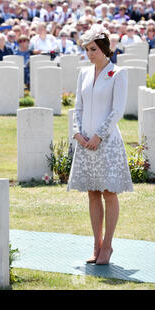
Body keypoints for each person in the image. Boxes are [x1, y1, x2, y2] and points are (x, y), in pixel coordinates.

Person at [68, 25, 133, 265]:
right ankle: (96, 244)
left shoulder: (118, 73)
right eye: (86, 49)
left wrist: (98, 135)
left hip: (107, 143)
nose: (89, 53)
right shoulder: (83, 74)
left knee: (109, 192)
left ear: (105, 48)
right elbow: (78, 107)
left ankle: (108, 245)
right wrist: (77, 132)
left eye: (93, 49)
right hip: (85, 142)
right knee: (92, 193)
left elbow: (117, 111)